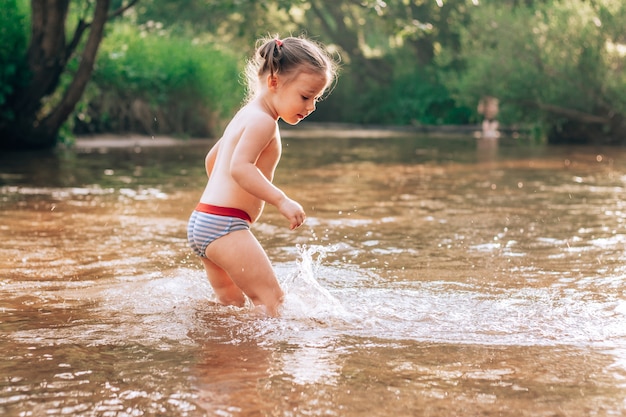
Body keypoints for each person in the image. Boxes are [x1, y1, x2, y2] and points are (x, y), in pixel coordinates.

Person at [187, 35, 338, 317]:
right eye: (306, 96)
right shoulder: (264, 122)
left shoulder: (245, 114)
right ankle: (256, 361)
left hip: (203, 221)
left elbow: (212, 160)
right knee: (272, 303)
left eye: (316, 98)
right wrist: (281, 200)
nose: (312, 106)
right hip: (224, 225)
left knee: (230, 305)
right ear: (274, 82)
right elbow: (240, 168)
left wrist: (225, 197)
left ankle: (222, 356)